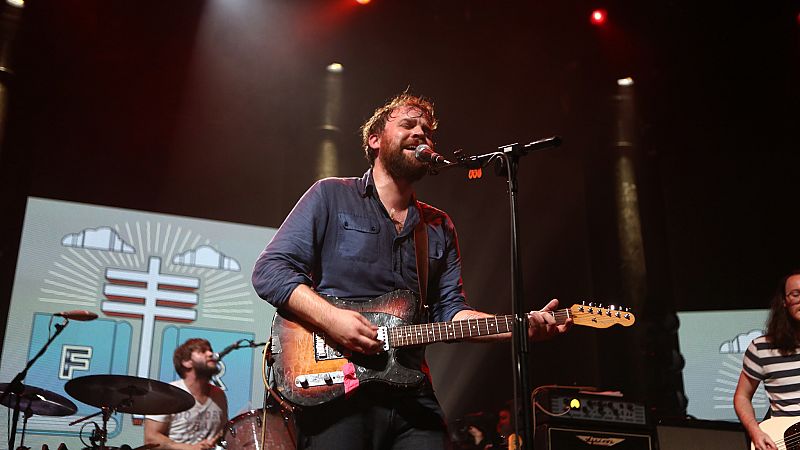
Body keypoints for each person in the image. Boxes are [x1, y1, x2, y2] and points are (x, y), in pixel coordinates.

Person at [252, 92, 571, 449]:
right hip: (336, 390)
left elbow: (451, 313)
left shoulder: (437, 226)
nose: (421, 133)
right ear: (375, 140)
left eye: (428, 130)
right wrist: (333, 320)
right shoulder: (330, 196)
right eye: (408, 124)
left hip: (410, 394)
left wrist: (519, 327)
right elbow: (270, 271)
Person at [734, 269, 800, 450]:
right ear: (785, 302)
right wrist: (756, 432)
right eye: (795, 294)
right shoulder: (761, 348)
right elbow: (742, 396)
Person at [144, 338, 229, 450]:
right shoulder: (168, 393)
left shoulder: (219, 395)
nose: (210, 354)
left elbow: (223, 432)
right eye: (203, 351)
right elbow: (151, 438)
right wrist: (190, 448)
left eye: (210, 350)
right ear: (186, 362)